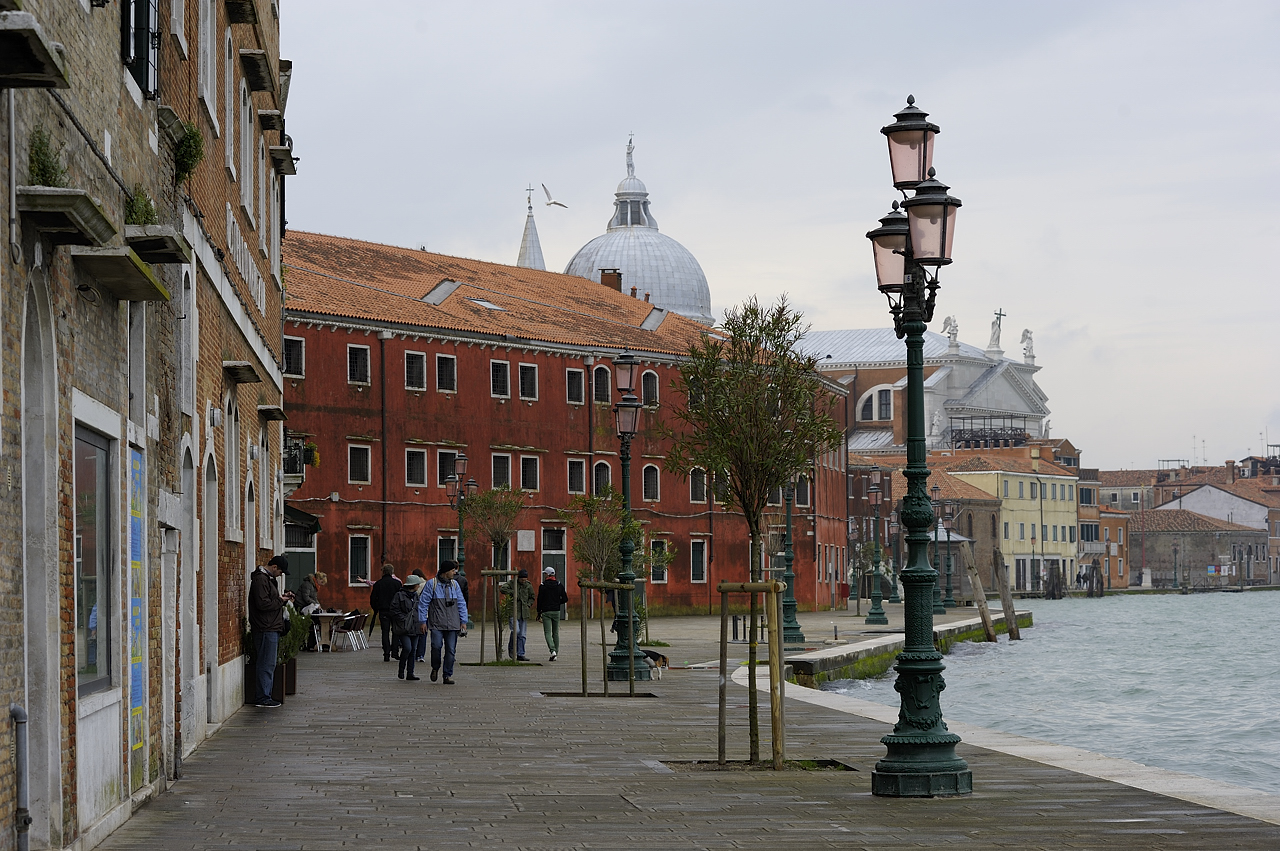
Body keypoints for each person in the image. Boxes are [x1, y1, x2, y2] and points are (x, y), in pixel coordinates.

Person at [249, 555, 294, 707]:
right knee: (266, 664)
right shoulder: (261, 580)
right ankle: (263, 697)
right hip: (265, 627)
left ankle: (264, 695)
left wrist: (282, 597)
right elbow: (263, 604)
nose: (281, 575)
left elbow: (268, 600)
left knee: (268, 663)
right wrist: (281, 600)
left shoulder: (266, 579)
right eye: (281, 572)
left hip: (269, 626)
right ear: (274, 567)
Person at [419, 560, 468, 684]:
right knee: (436, 646)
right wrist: (422, 621)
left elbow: (461, 603)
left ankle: (447, 674)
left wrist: (463, 620)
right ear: (446, 572)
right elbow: (423, 603)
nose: (454, 572)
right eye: (452, 570)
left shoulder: (455, 585)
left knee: (451, 650)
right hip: (436, 623)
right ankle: (435, 667)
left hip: (453, 624)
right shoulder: (432, 584)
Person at [390, 575, 425, 681]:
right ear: (413, 585)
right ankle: (401, 670)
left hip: (415, 626)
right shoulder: (399, 595)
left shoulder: (416, 596)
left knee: (413, 650)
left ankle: (410, 673)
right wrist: (403, 618)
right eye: (418, 584)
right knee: (407, 648)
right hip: (404, 627)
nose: (419, 586)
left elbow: (420, 609)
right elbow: (393, 609)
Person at [368, 564, 402, 662]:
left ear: (383, 572)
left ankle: (386, 653)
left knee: (385, 632)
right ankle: (395, 652)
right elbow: (401, 597)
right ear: (392, 572)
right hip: (395, 611)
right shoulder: (397, 584)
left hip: (383, 611)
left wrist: (376, 608)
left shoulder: (378, 584)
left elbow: (373, 598)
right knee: (396, 631)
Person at [501, 568, 535, 661]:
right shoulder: (512, 583)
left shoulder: (528, 585)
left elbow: (532, 597)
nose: (524, 581)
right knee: (516, 631)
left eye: (525, 580)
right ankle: (511, 648)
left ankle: (521, 653)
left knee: (522, 634)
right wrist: (513, 592)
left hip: (524, 612)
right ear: (518, 578)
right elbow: (503, 589)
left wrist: (528, 604)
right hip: (514, 611)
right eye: (522, 580)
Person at [536, 566, 569, 662]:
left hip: (546, 611)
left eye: (545, 573)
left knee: (547, 632)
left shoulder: (542, 585)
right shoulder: (559, 585)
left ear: (547, 574)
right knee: (556, 633)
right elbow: (565, 599)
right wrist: (558, 603)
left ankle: (552, 650)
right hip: (556, 611)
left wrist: (539, 612)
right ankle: (556, 653)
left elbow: (539, 600)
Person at [411, 568, 429, 663]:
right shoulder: (427, 584)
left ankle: (413, 653)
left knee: (414, 634)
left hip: (415, 613)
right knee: (423, 635)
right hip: (426, 613)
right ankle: (420, 654)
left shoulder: (414, 586)